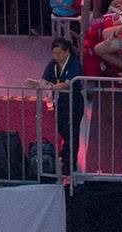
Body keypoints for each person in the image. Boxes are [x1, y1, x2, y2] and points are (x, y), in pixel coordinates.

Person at [31, 37, 84, 165]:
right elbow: (45, 79)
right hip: (59, 102)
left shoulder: (74, 63)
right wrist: (39, 83)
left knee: (72, 132)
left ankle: (70, 162)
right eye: (54, 53)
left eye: (59, 53)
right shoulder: (53, 64)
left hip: (74, 102)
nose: (56, 56)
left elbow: (67, 83)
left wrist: (51, 86)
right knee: (61, 128)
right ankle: (66, 154)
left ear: (67, 52)